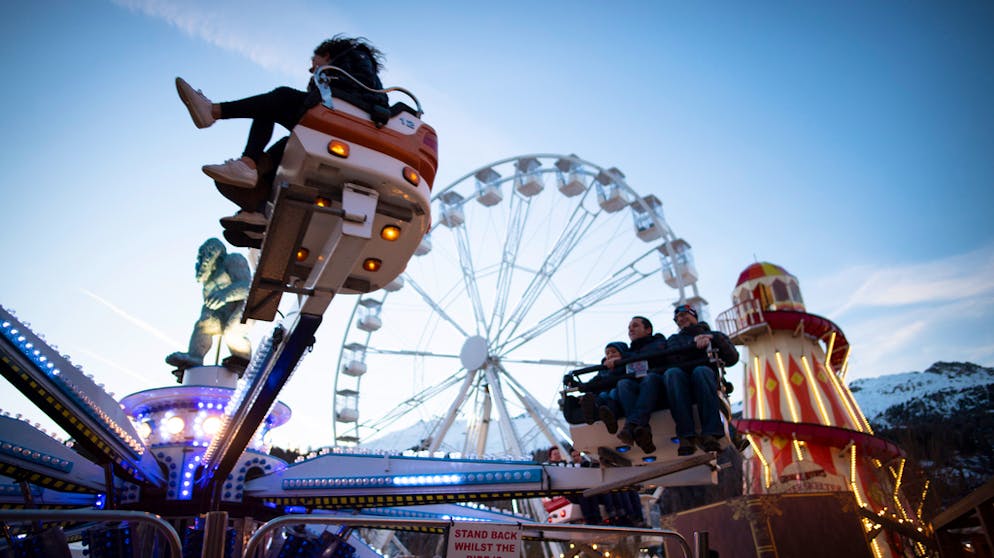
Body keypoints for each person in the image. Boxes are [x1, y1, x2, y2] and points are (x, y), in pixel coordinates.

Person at [175, 35, 389, 226]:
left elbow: (366, 90)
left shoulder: (355, 58)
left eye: (314, 62)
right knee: (283, 140)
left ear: (326, 54)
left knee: (280, 97)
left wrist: (321, 84)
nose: (311, 69)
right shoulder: (337, 74)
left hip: (347, 118)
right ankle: (257, 205)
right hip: (339, 118)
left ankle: (215, 113)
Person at [165, 238, 252, 372]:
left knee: (232, 333)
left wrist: (225, 294)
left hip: (245, 306)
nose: (200, 260)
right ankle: (195, 357)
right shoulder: (208, 280)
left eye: (203, 255)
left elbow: (247, 287)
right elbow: (208, 306)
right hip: (223, 312)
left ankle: (242, 359)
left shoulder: (233, 259)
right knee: (204, 324)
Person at [662, 304, 739, 455]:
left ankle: (711, 432)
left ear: (694, 316)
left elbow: (732, 358)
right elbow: (672, 357)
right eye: (678, 318)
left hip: (705, 377)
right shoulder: (674, 339)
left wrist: (712, 338)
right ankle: (686, 434)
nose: (681, 319)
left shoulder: (714, 335)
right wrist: (694, 345)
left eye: (684, 315)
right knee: (673, 374)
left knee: (701, 372)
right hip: (683, 378)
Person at [612, 316, 668, 453]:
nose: (631, 329)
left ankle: (631, 425)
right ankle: (642, 430)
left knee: (650, 378)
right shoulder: (628, 352)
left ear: (648, 330)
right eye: (629, 327)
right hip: (637, 389)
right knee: (623, 383)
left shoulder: (659, 342)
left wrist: (623, 359)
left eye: (635, 326)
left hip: (658, 389)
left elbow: (653, 355)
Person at [578, 341, 629, 433]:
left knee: (612, 394)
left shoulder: (626, 365)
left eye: (614, 352)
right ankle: (592, 410)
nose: (610, 355)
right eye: (607, 353)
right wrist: (577, 385)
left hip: (618, 393)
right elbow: (593, 382)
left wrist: (615, 366)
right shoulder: (602, 370)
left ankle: (611, 417)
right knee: (602, 396)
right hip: (606, 394)